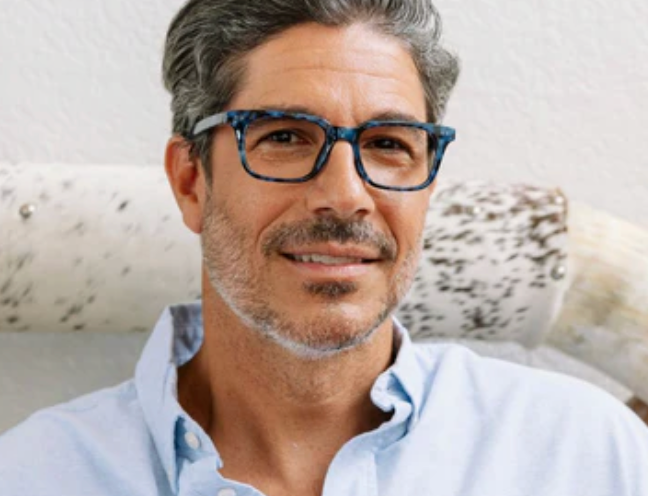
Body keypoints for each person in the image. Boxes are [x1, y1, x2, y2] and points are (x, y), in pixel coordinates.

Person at [1, 0, 647, 494]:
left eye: (388, 144)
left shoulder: (586, 456)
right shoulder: (34, 476)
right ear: (191, 180)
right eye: (285, 137)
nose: (345, 195)